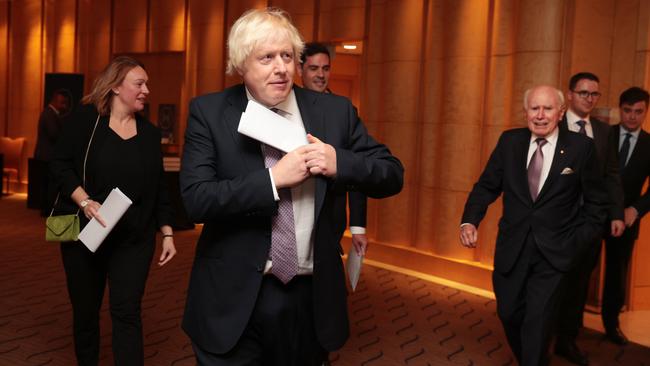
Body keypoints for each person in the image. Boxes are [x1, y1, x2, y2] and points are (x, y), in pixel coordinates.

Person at [180, 8, 404, 365]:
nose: (281, 67)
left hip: (308, 297)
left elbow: (392, 173)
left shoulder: (334, 112)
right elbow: (196, 199)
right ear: (241, 64)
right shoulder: (210, 113)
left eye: (287, 55)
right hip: (233, 296)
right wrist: (273, 180)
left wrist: (338, 162)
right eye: (266, 57)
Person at [460, 85, 608, 366]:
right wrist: (469, 220)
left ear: (561, 112)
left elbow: (596, 203)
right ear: (526, 112)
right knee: (509, 313)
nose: (540, 116)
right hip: (512, 248)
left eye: (548, 108)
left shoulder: (580, 148)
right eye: (534, 108)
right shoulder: (510, 142)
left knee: (537, 322)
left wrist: (577, 241)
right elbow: (486, 186)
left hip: (555, 253)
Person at [50, 56, 177, 366]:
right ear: (117, 87)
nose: (146, 90)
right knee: (85, 313)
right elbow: (59, 164)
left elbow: (159, 187)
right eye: (139, 84)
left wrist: (168, 233)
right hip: (86, 236)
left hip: (133, 240)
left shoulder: (148, 135)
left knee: (127, 312)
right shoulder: (85, 121)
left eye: (147, 84)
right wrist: (84, 200)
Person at [554, 72, 624, 365]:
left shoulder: (604, 131)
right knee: (552, 281)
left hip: (590, 224)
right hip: (556, 223)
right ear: (570, 95)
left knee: (580, 282)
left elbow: (611, 175)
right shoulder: (552, 126)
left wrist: (616, 214)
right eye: (583, 93)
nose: (589, 99)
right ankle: (542, 333)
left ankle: (567, 339)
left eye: (594, 94)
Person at [299, 42, 369, 256]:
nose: (321, 75)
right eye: (314, 68)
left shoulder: (344, 111)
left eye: (326, 68)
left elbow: (357, 167)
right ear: (300, 70)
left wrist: (357, 227)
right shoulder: (284, 106)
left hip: (330, 217)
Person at [601, 87, 650, 345]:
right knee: (578, 268)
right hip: (594, 214)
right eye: (628, 111)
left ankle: (611, 325)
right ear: (620, 109)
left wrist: (636, 209)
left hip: (628, 218)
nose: (632, 117)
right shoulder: (603, 135)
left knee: (616, 273)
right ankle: (567, 326)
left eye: (638, 112)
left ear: (646, 112)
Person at [35, 89, 70, 161]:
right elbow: (54, 134)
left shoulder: (50, 113)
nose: (65, 107)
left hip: (46, 156)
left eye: (66, 104)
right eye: (63, 103)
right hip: (46, 157)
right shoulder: (49, 114)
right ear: (54, 101)